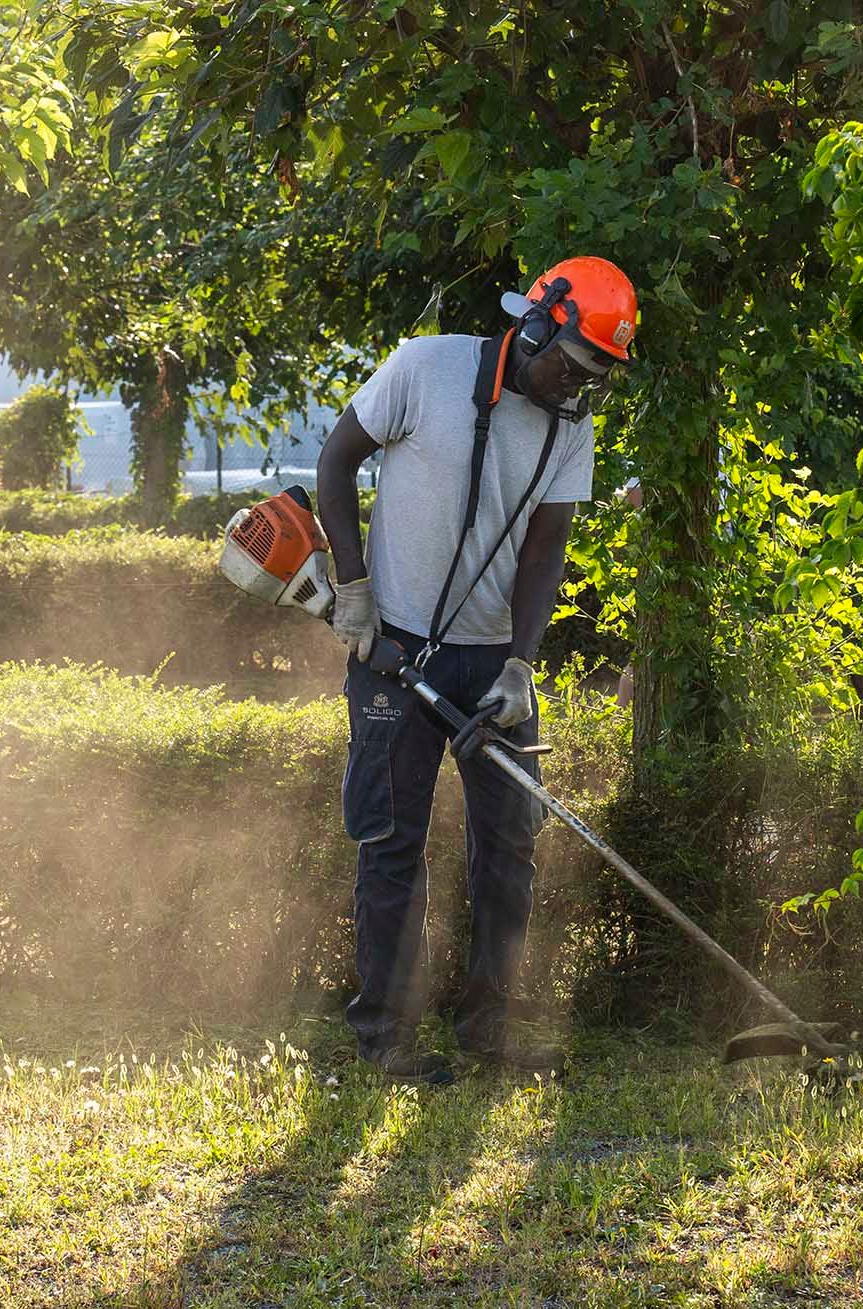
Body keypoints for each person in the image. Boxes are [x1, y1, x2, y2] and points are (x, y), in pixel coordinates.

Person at [315, 258, 638, 1084]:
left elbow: (547, 545)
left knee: (510, 846)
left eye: (593, 378)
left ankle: (487, 1031)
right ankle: (386, 1038)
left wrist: (522, 665)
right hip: (393, 651)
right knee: (393, 843)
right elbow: (336, 460)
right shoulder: (425, 368)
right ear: (534, 324)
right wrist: (353, 590)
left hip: (494, 663)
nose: (574, 387)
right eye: (569, 364)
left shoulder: (570, 425)